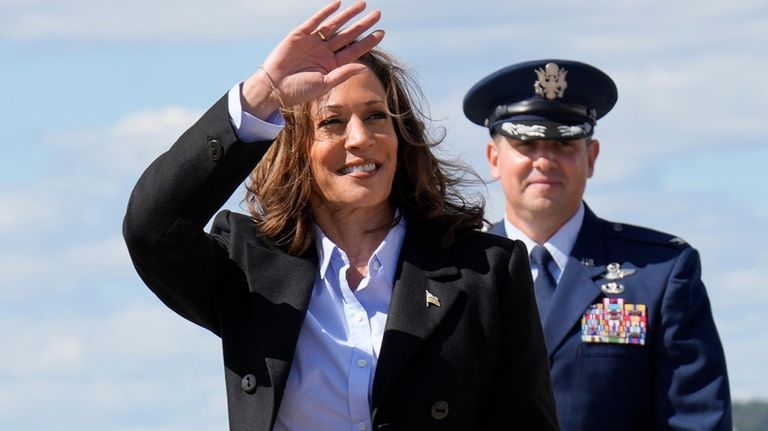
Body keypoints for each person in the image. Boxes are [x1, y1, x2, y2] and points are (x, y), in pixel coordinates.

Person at [123, 2, 559, 430]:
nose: (360, 138)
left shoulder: (486, 270)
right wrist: (264, 92)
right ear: (296, 150)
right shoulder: (248, 265)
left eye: (375, 117)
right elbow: (151, 228)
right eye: (332, 123)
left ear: (401, 136)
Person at [463, 59, 732, 430]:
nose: (545, 160)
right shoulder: (454, 272)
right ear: (494, 159)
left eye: (563, 144)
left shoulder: (659, 274)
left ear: (591, 158)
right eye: (527, 143)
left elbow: (695, 421)